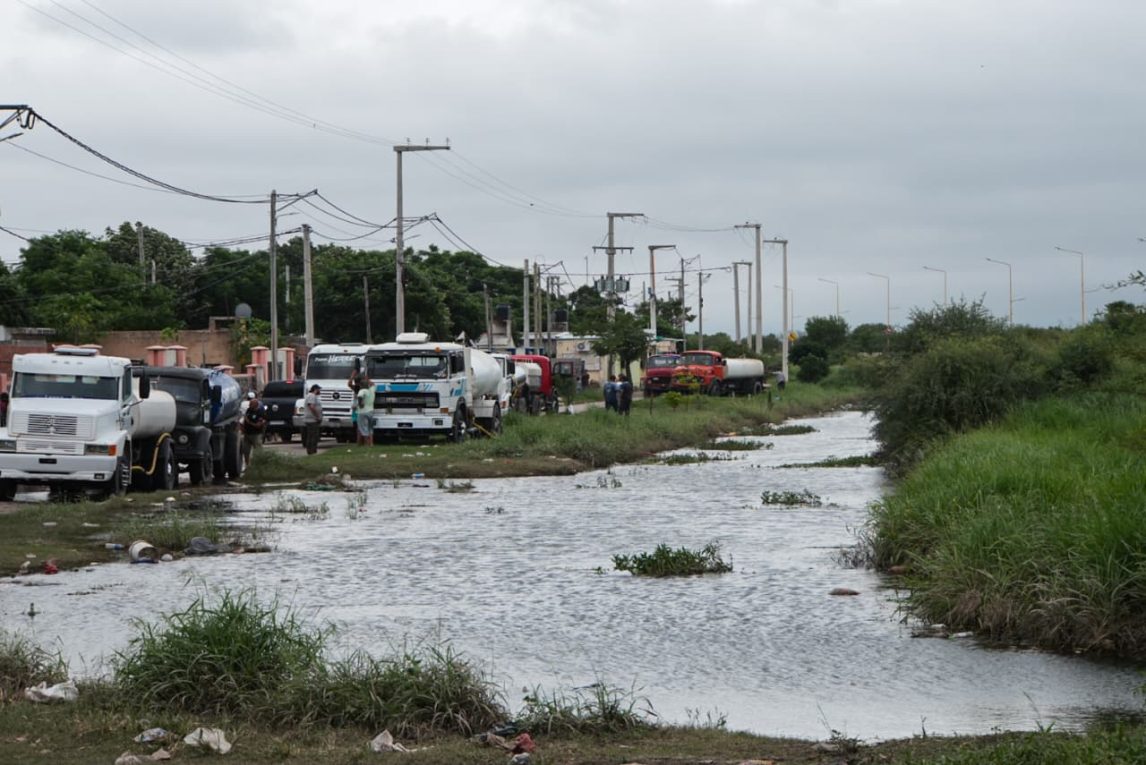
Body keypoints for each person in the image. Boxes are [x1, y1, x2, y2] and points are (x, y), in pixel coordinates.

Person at [240, 392, 267, 468]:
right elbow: (244, 419)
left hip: (256, 435)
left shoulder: (260, 412)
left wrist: (249, 422)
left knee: (258, 451)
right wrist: (243, 427)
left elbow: (259, 425)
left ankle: (259, 466)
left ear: (255, 404)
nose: (249, 405)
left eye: (251, 404)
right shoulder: (249, 410)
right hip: (247, 434)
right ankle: (247, 466)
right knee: (245, 451)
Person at [355, 374, 375, 446]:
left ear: (361, 385)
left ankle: (367, 443)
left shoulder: (362, 391)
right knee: (370, 428)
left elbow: (360, 397)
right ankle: (371, 443)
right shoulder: (372, 390)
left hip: (362, 411)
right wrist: (367, 378)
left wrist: (360, 404)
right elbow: (373, 384)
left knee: (363, 428)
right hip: (371, 411)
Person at [303, 384, 323, 455]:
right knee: (313, 436)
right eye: (319, 389)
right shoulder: (312, 396)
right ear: (315, 389)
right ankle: (311, 451)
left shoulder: (312, 396)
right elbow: (311, 406)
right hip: (312, 420)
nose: (319, 391)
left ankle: (312, 451)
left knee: (313, 435)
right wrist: (317, 416)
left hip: (312, 419)